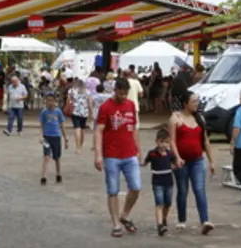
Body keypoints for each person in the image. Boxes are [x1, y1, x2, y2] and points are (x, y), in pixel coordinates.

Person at [93, 78, 141, 238]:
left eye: (125, 94)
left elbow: (134, 128)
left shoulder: (131, 105)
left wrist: (138, 149)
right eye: (120, 93)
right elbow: (99, 131)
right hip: (112, 155)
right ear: (115, 91)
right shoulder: (106, 107)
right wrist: (98, 154)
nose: (123, 97)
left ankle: (124, 214)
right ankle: (116, 224)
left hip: (130, 153)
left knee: (136, 187)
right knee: (113, 190)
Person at [168, 90, 216, 235]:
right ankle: (182, 219)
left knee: (199, 189)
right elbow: (172, 140)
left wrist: (211, 161)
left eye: (197, 101)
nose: (196, 104)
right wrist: (177, 157)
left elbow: (206, 141)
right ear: (185, 103)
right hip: (182, 161)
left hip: (197, 160)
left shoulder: (200, 119)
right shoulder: (175, 118)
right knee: (182, 190)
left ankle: (205, 220)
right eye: (193, 101)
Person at [143, 130, 178, 237]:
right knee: (159, 203)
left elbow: (174, 164)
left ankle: (163, 219)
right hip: (157, 182)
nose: (164, 145)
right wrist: (139, 163)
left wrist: (177, 165)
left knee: (168, 203)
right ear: (157, 141)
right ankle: (159, 225)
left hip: (168, 182)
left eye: (166, 142)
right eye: (162, 142)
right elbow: (145, 162)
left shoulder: (170, 154)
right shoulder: (152, 153)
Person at [39, 93, 67, 185]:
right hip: (46, 137)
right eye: (48, 100)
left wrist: (65, 138)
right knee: (46, 156)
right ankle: (44, 176)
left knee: (56, 157)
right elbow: (41, 125)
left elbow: (62, 125)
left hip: (56, 137)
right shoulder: (44, 112)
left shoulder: (58, 112)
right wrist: (40, 136)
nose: (49, 102)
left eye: (51, 100)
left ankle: (58, 174)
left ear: (55, 101)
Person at [66, 79, 93, 154]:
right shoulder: (87, 91)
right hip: (84, 112)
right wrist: (91, 113)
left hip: (75, 111)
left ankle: (77, 147)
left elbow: (68, 101)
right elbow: (90, 103)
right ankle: (80, 146)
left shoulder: (71, 91)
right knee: (82, 129)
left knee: (77, 128)